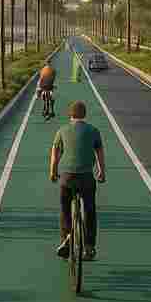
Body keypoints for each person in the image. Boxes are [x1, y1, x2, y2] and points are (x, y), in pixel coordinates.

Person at [49, 100, 105, 260]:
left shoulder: (62, 130)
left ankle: (66, 238)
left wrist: (53, 172)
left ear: (70, 115)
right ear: (84, 115)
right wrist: (102, 172)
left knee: (65, 208)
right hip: (86, 177)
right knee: (90, 211)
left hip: (67, 177)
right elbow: (99, 152)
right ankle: (89, 247)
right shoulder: (94, 130)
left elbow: (55, 153)